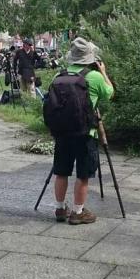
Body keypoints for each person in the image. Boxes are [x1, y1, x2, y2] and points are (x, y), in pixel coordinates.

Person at [51, 37, 114, 225]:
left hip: (63, 133)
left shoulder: (59, 76)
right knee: (83, 174)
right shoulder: (93, 76)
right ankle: (78, 212)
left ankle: (60, 208)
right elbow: (110, 93)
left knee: (61, 171)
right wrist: (103, 72)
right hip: (86, 134)